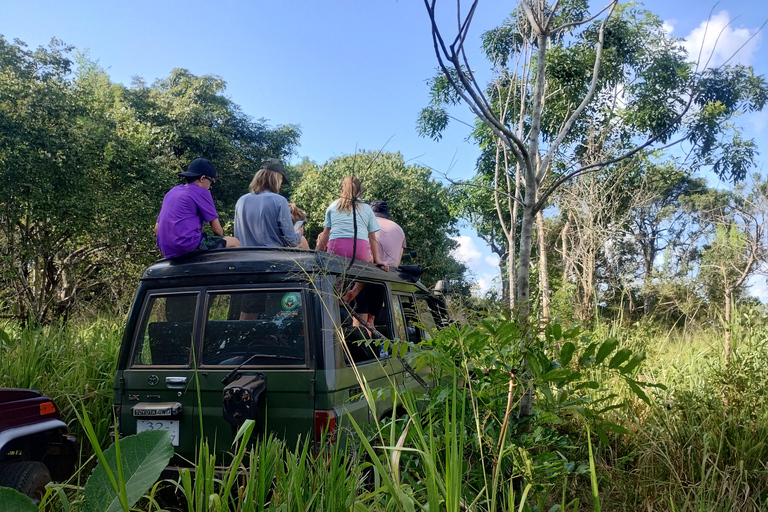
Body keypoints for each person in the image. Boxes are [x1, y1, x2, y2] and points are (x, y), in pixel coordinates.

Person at [316, 176, 388, 336]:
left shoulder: (333, 206)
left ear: (341, 189)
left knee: (336, 272)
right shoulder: (367, 208)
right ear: (360, 192)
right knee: (367, 263)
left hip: (336, 249)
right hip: (359, 250)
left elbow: (325, 235)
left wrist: (318, 253)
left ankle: (338, 290)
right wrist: (377, 260)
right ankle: (353, 291)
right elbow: (372, 238)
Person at [155, 158, 240, 259]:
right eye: (211, 182)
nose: (210, 187)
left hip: (166, 249)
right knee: (234, 243)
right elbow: (217, 231)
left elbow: (157, 229)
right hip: (186, 245)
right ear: (202, 178)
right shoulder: (201, 192)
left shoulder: (171, 192)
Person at [234, 158, 304, 248]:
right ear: (277, 179)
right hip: (272, 258)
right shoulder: (280, 201)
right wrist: (298, 233)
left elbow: (237, 238)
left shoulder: (241, 200)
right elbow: (291, 241)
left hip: (244, 258)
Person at [369, 201, 407, 268]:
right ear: (386, 216)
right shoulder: (399, 229)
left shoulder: (367, 223)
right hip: (392, 271)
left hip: (371, 266)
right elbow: (398, 259)